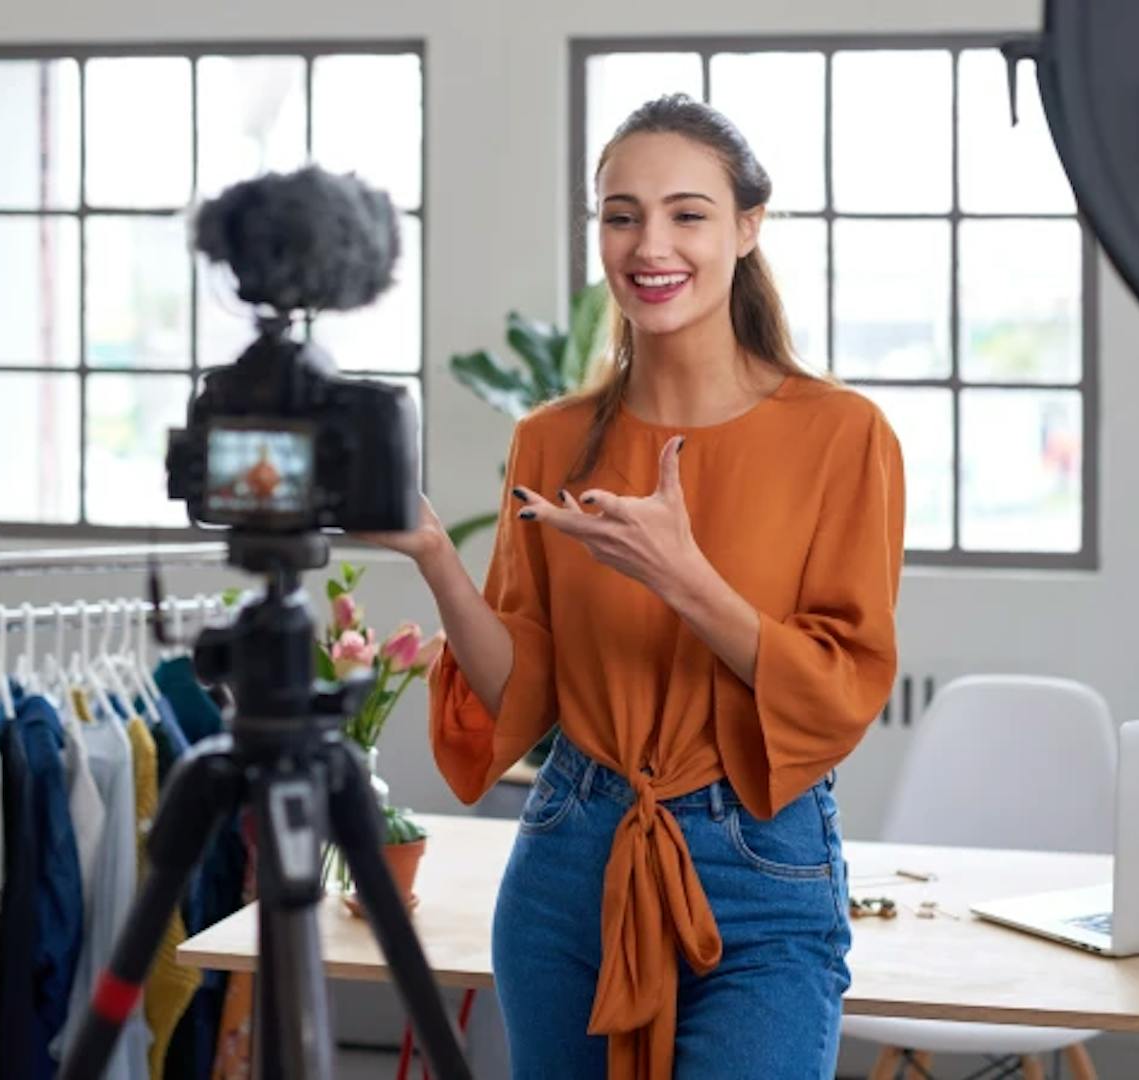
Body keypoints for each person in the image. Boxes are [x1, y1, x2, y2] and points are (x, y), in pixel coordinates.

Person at [356, 93, 906, 1079]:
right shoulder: (554, 439)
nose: (651, 244)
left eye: (687, 214)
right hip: (574, 854)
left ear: (746, 228)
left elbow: (840, 686)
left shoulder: (841, 436)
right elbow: (521, 695)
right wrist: (435, 553)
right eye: (621, 215)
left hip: (763, 865)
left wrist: (685, 579)